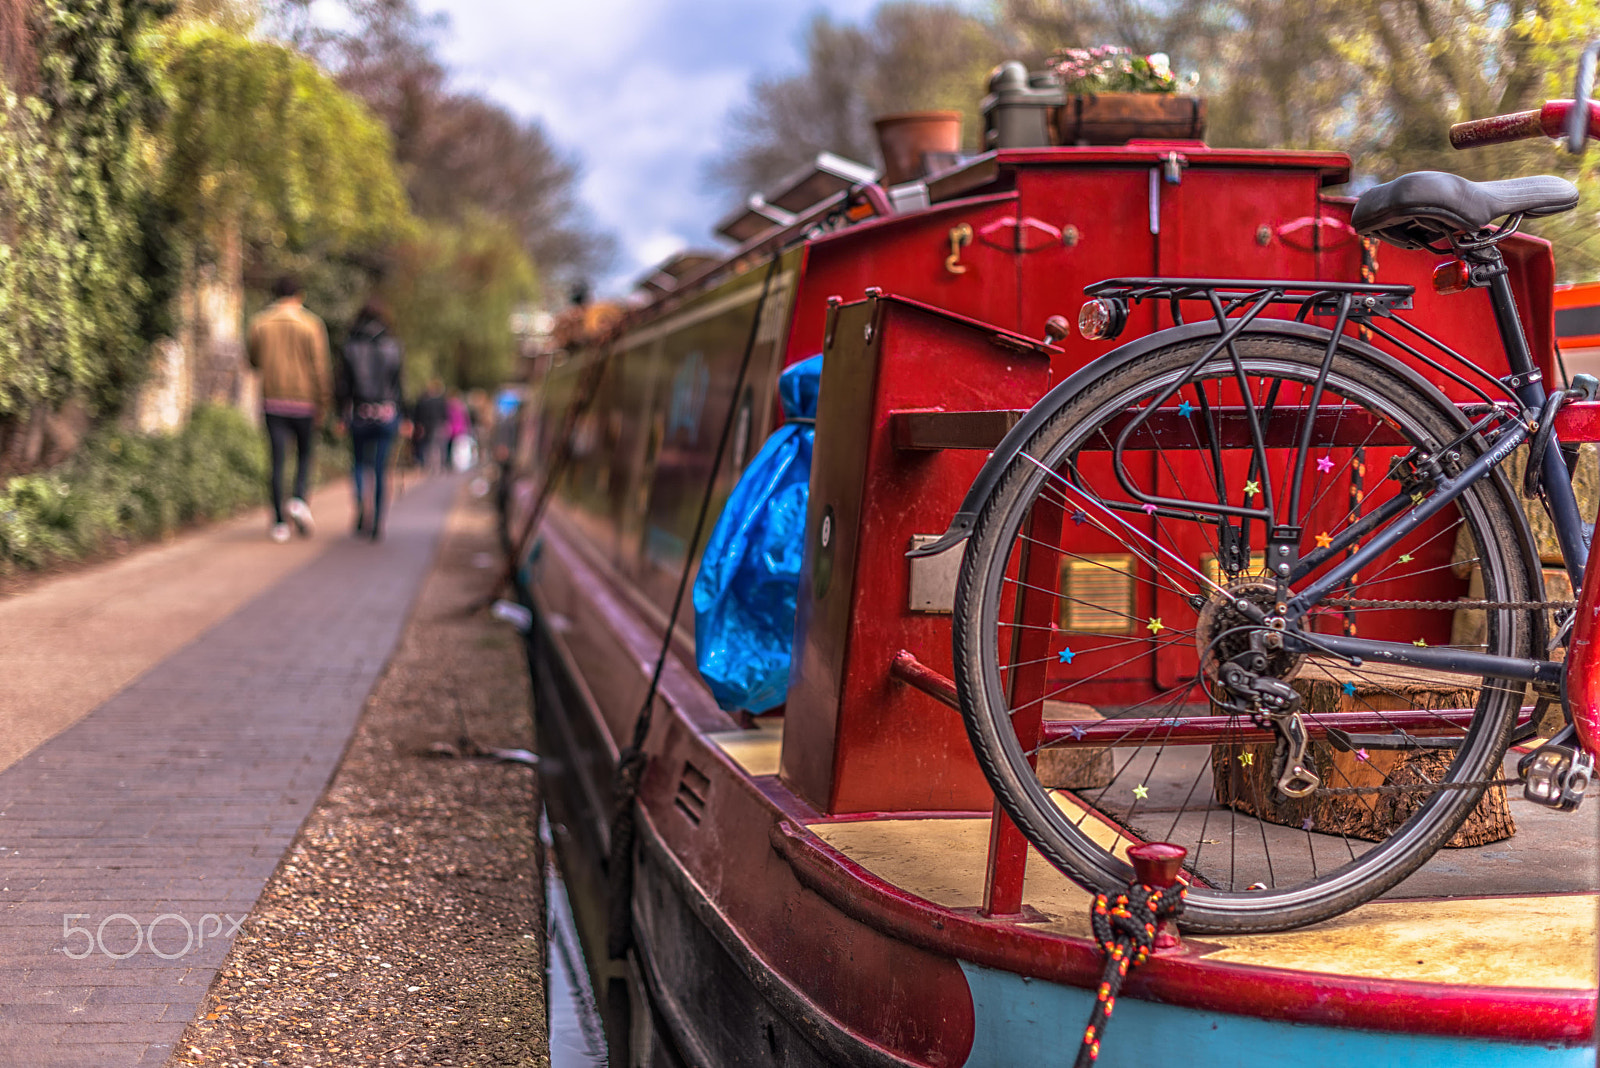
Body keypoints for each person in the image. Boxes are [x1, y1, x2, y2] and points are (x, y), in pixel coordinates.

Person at [247, 275, 332, 543]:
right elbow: (320, 367)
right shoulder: (312, 325)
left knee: (277, 460)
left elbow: (253, 360)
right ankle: (298, 498)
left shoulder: (259, 323)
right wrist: (323, 402)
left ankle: (278, 523)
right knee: (305, 455)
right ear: (300, 295)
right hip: (305, 402)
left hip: (273, 400)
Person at [336, 299, 405, 541]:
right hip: (386, 414)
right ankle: (377, 520)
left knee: (358, 464)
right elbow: (399, 386)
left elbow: (343, 385)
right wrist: (404, 415)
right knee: (380, 469)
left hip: (360, 414)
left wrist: (341, 414)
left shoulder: (351, 346)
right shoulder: (393, 347)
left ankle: (360, 507)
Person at [412, 379, 448, 473]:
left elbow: (418, 414)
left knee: (428, 446)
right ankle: (439, 466)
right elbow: (444, 413)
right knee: (438, 446)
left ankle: (428, 465)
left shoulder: (423, 401)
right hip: (437, 425)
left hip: (426, 426)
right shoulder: (440, 401)